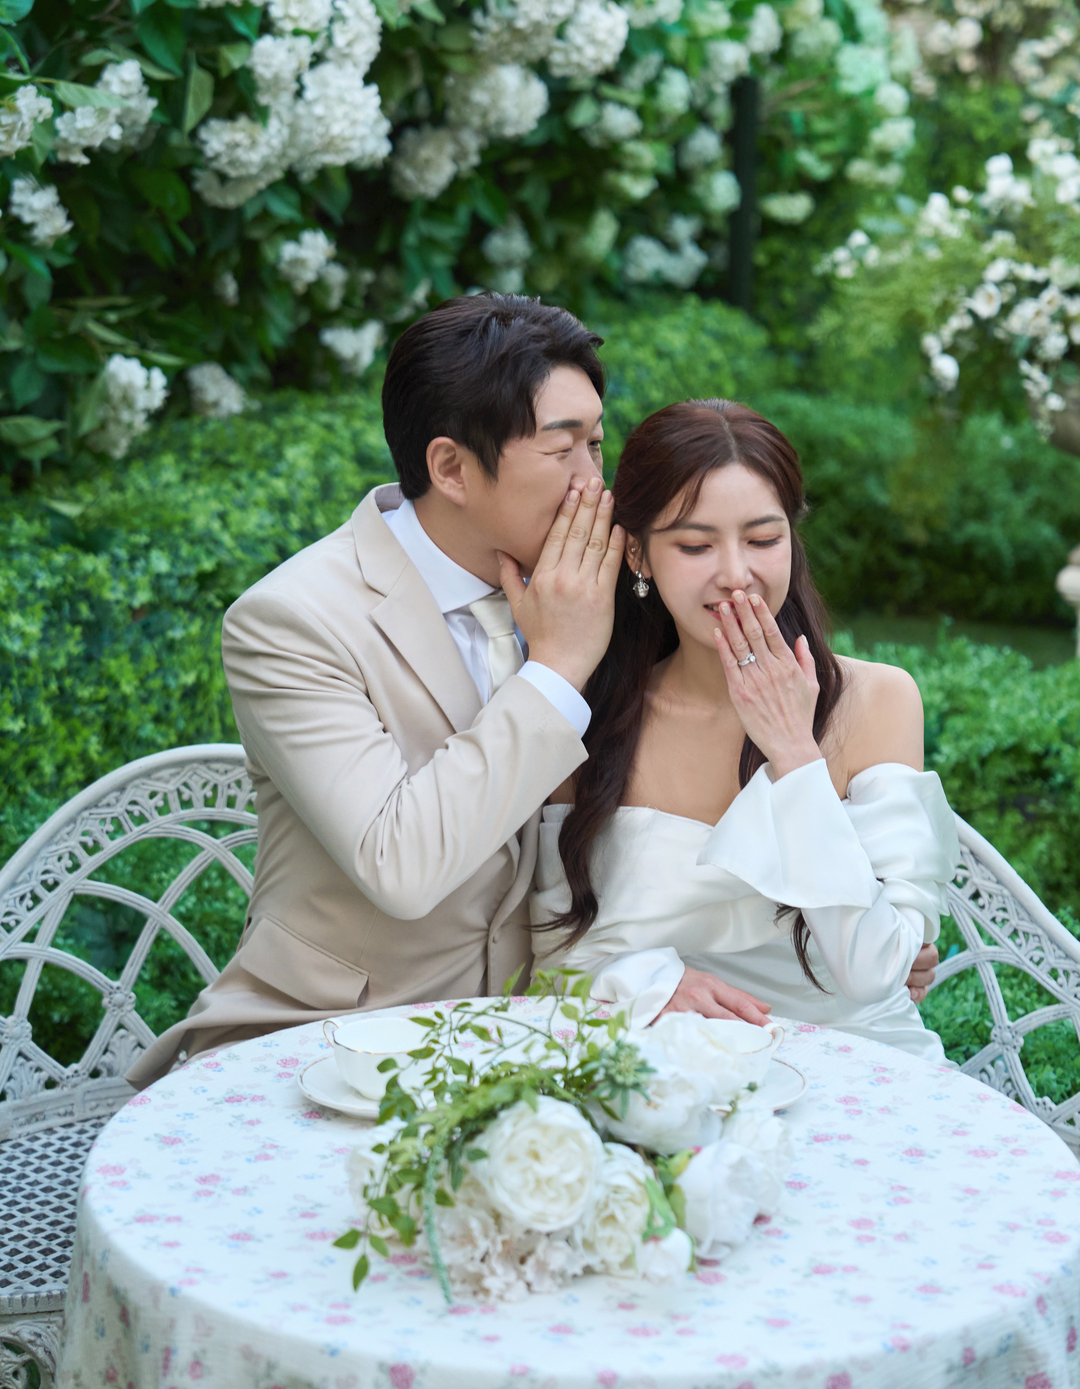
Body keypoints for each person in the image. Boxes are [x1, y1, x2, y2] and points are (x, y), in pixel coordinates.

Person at [127, 292, 630, 1085]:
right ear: (451, 468)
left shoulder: (591, 588)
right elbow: (401, 866)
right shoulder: (291, 622)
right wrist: (558, 668)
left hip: (530, 1042)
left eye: (596, 445)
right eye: (562, 449)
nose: (592, 484)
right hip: (321, 1045)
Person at [532, 398, 953, 1061]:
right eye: (695, 546)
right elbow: (555, 956)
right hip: (664, 1063)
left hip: (858, 1065)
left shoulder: (877, 701)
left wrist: (795, 755)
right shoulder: (593, 718)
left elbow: (877, 971)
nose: (736, 575)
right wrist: (648, 986)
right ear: (639, 553)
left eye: (762, 539)